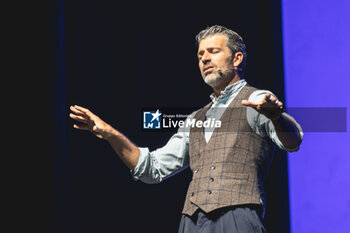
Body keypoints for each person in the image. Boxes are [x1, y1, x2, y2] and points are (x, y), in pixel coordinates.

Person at [69, 25, 303, 233]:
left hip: (236, 218)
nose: (204, 59)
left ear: (237, 59)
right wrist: (110, 134)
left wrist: (277, 117)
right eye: (200, 54)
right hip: (192, 222)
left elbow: (293, 141)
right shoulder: (195, 119)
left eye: (213, 51)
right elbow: (152, 168)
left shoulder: (257, 99)